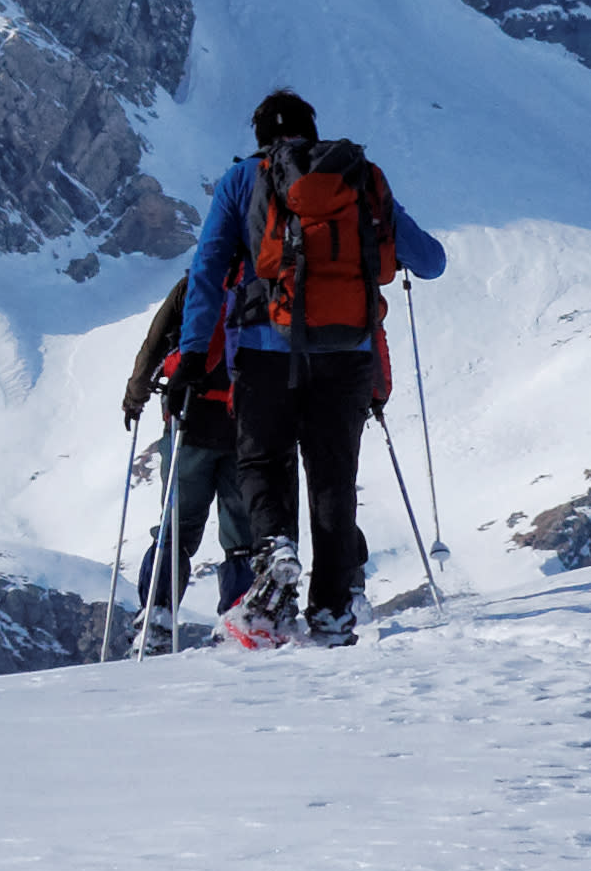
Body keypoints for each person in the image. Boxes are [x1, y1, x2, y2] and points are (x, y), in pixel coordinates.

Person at [173, 89, 448, 644]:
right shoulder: (356, 177)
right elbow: (431, 261)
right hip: (347, 354)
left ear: (260, 139)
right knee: (333, 480)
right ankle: (332, 611)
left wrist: (191, 356)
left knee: (261, 463)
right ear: (313, 131)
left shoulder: (242, 181)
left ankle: (274, 554)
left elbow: (206, 271)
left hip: (263, 349)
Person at [115, 270, 247, 645]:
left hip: (190, 420)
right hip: (245, 424)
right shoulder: (268, 276)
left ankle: (156, 614)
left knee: (177, 528)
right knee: (240, 534)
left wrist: (135, 394)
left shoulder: (196, 281)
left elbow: (155, 343)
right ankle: (239, 618)